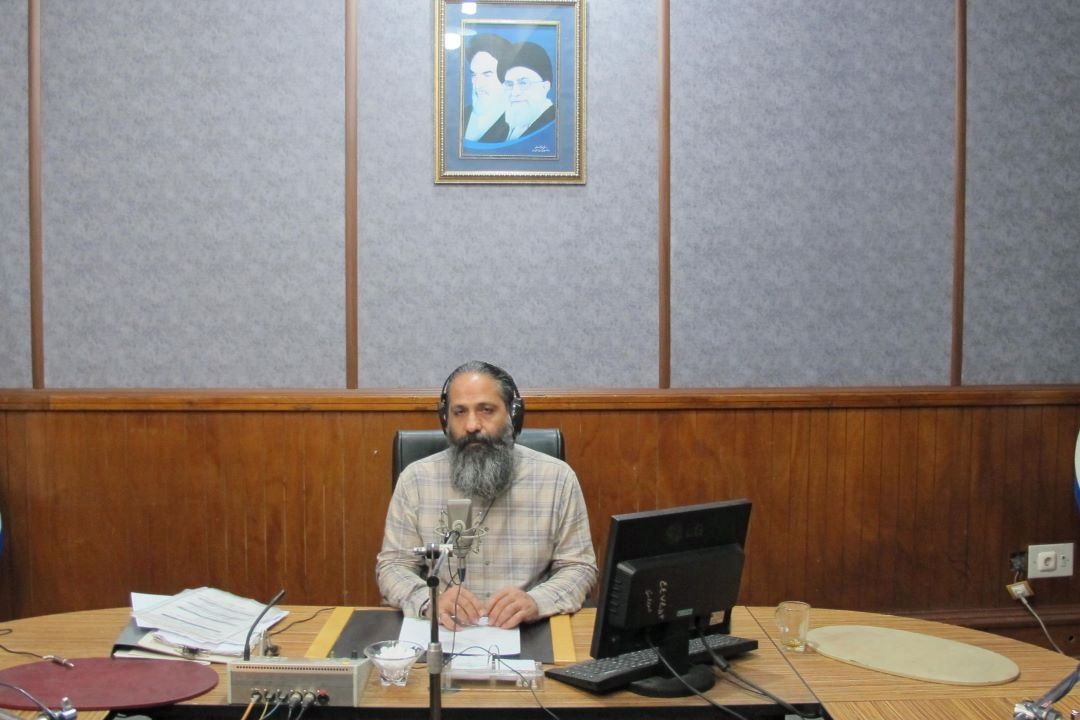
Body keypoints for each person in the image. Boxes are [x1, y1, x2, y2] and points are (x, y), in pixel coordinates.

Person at [376, 361, 597, 630]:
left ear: (513, 415)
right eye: (459, 412)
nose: (471, 425)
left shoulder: (557, 478)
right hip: (445, 629)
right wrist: (428, 600)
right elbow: (393, 566)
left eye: (486, 410)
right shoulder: (416, 480)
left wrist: (537, 601)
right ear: (445, 420)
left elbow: (579, 567)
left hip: (529, 629)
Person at [500, 41, 556, 141]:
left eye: (523, 83)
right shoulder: (506, 128)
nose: (515, 93)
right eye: (509, 84)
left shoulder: (554, 125)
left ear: (545, 87)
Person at [462, 34, 511, 143]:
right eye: (474, 75)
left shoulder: (517, 125)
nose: (477, 84)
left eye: (487, 74)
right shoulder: (462, 115)